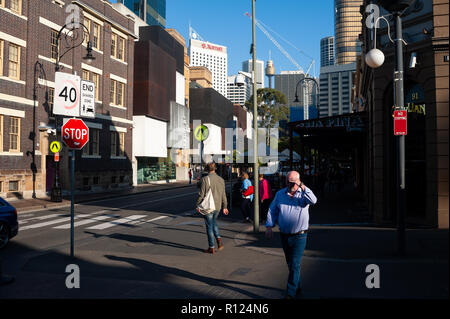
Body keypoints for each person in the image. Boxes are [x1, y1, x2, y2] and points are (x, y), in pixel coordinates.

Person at [265, 171, 317, 299]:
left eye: (293, 181)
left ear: (298, 181)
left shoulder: (303, 194)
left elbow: (314, 200)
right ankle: (297, 286)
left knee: (294, 263)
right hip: (284, 235)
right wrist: (269, 226)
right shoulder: (280, 194)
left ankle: (290, 293)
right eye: (288, 181)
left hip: (300, 235)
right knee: (290, 263)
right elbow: (272, 210)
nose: (290, 184)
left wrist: (302, 186)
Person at [196, 162, 229, 254]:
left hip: (209, 207)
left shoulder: (205, 179)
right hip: (218, 207)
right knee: (214, 223)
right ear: (215, 169)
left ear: (207, 169)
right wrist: (225, 206)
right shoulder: (221, 179)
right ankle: (219, 240)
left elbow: (201, 195)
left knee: (209, 227)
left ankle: (211, 247)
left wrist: (198, 205)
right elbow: (224, 195)